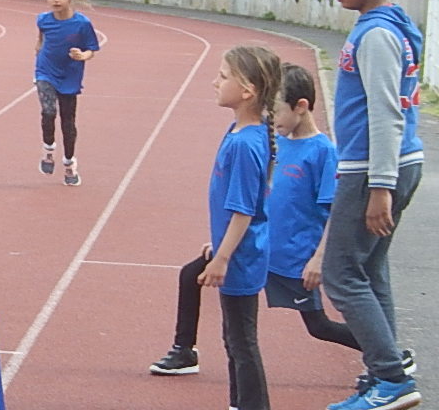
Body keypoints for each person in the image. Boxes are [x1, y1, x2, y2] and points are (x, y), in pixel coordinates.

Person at [149, 62, 358, 376]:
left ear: (301, 107)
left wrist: (318, 259)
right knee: (191, 275)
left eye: (275, 110)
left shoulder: (323, 152)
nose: (269, 119)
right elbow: (255, 199)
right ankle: (184, 350)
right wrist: (225, 246)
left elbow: (335, 210)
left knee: (318, 326)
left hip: (292, 259)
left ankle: (386, 352)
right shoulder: (273, 142)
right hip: (256, 248)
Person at [321, 0, 425, 410]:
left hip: (373, 168)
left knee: (341, 276)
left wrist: (380, 186)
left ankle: (390, 376)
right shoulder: (385, 26)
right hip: (388, 164)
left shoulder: (378, 35)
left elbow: (387, 113)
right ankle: (386, 364)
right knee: (370, 269)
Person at [184, 45, 281, 410]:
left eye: (223, 76)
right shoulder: (241, 133)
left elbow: (244, 208)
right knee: (232, 337)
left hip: (241, 257)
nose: (215, 81)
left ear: (248, 90)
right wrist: (218, 242)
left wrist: (224, 256)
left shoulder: (246, 143)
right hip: (236, 249)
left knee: (242, 340)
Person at [34, 0, 99, 186]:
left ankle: (69, 163)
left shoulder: (82, 24)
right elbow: (41, 39)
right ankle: (48, 150)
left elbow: (91, 49)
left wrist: (82, 55)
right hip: (46, 72)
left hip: (70, 76)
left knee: (68, 122)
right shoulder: (43, 20)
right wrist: (39, 51)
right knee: (48, 111)